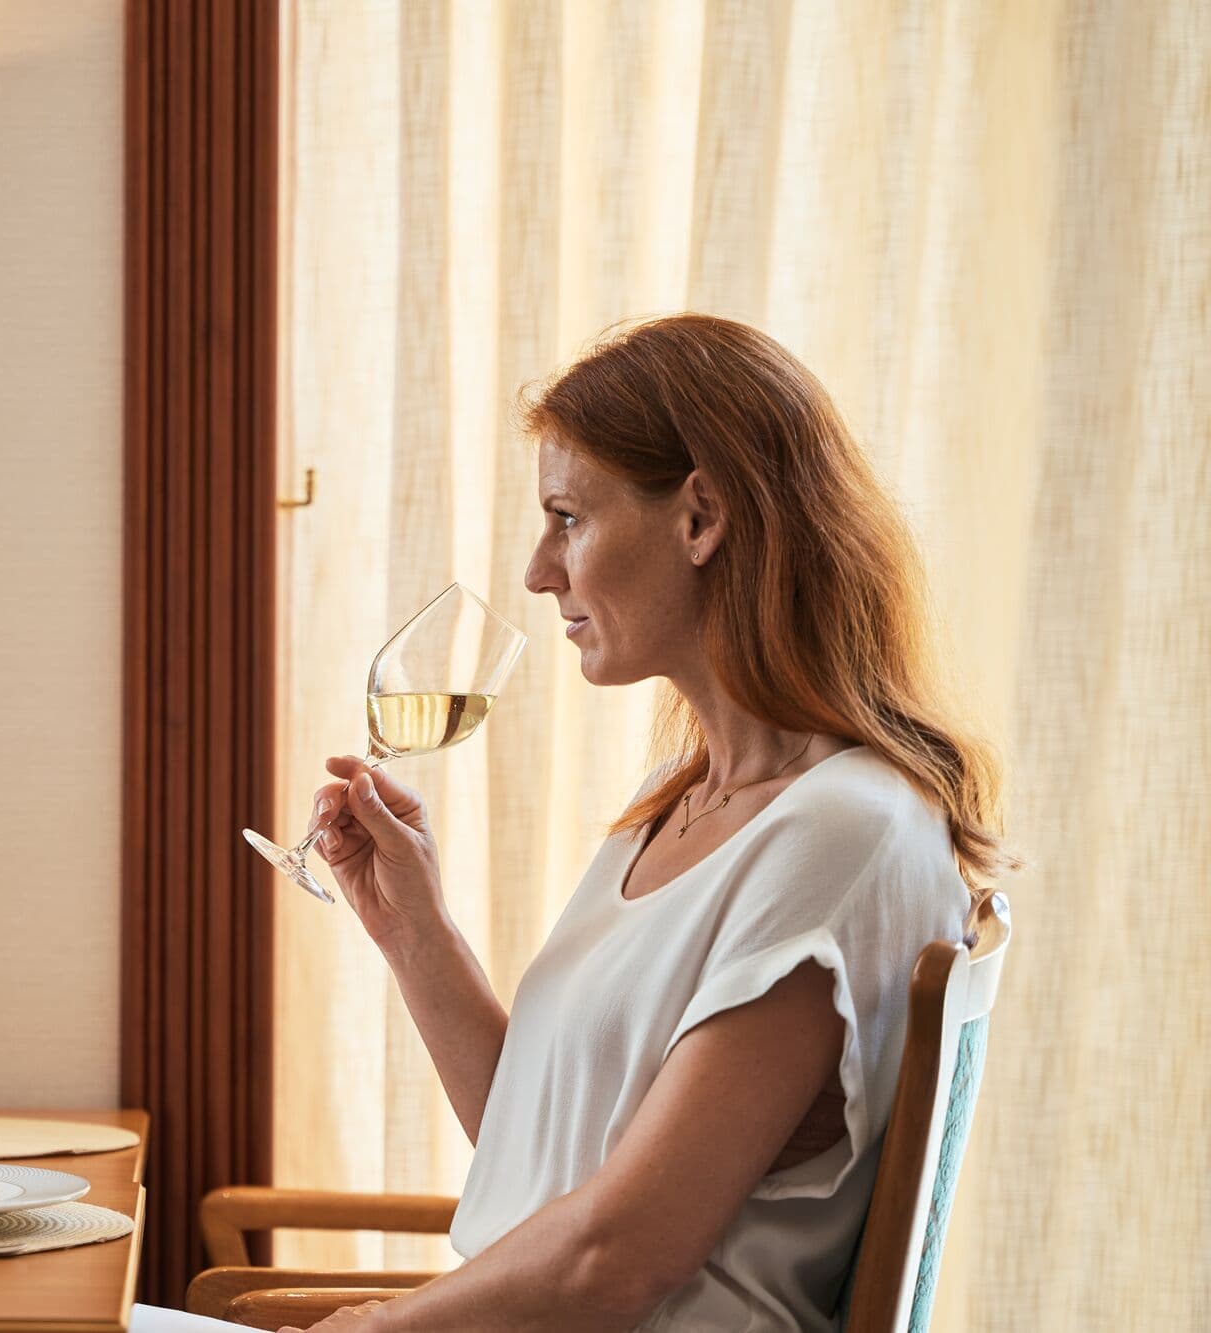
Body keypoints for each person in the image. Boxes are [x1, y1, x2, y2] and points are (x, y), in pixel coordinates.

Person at [133, 313, 1016, 1333]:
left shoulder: (842, 836)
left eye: (565, 517)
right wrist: (414, 930)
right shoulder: (679, 800)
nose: (535, 571)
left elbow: (616, 1259)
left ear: (700, 518)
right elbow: (545, 1155)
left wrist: (371, 1328)